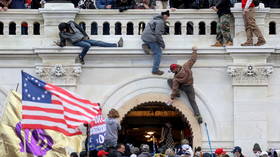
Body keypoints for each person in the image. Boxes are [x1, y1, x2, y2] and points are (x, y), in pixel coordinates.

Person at [56, 21, 123, 64]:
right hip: (76, 42)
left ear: (66, 26)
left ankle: (116, 45)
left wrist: (86, 35)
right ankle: (81, 56)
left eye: (64, 29)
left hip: (83, 38)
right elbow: (63, 43)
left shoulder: (71, 23)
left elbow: (80, 29)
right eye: (62, 30)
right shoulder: (62, 34)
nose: (63, 31)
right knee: (87, 45)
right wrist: (60, 44)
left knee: (98, 42)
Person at [167, 46, 203, 124]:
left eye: (172, 71)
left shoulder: (176, 78)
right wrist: (195, 51)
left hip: (183, 87)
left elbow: (174, 88)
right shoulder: (186, 66)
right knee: (192, 101)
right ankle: (198, 116)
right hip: (190, 87)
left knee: (169, 81)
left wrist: (172, 98)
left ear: (174, 70)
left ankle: (178, 94)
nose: (173, 72)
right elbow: (193, 60)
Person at [141, 10, 170, 75]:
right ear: (164, 15)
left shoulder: (154, 19)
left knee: (153, 44)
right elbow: (158, 34)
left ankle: (146, 45)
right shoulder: (160, 22)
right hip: (150, 38)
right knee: (158, 53)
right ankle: (155, 70)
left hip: (145, 37)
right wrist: (162, 44)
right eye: (167, 16)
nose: (167, 18)